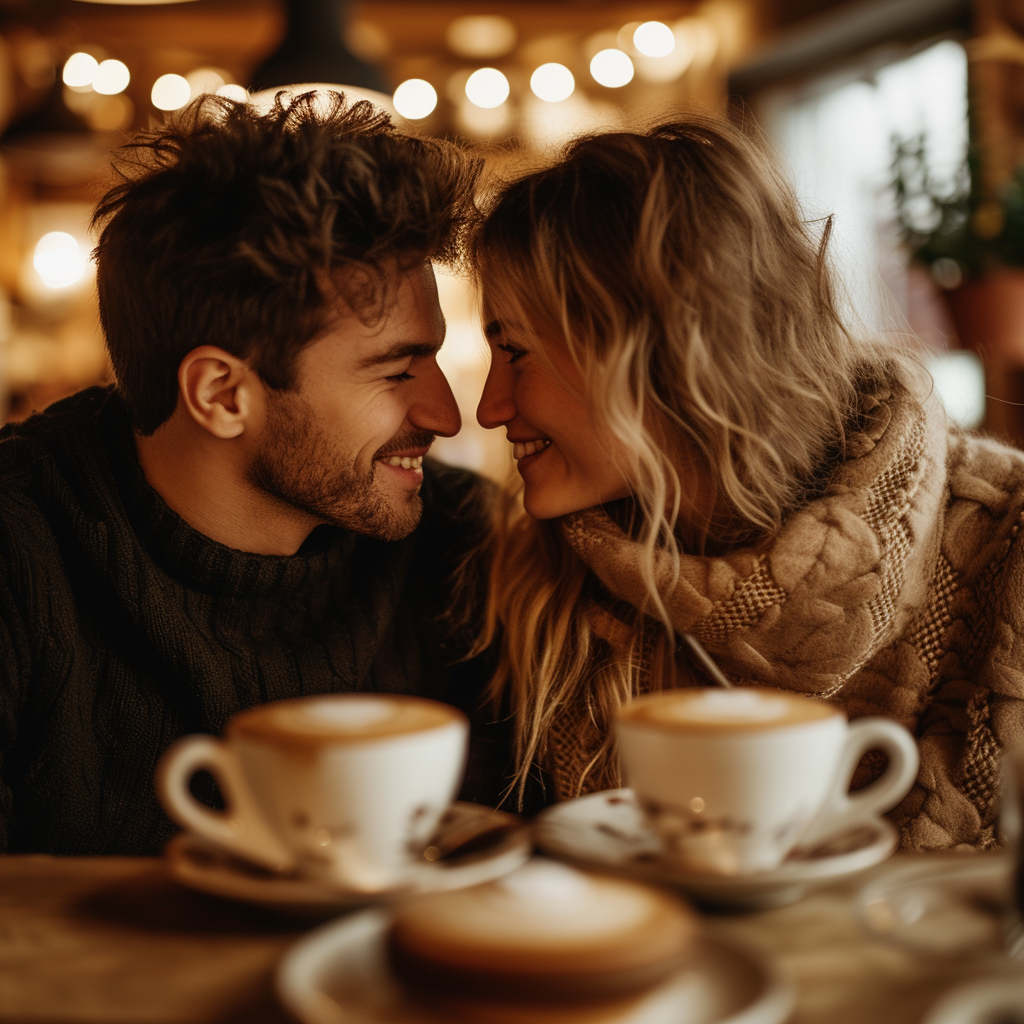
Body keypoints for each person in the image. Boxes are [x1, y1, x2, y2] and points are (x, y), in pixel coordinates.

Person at [473, 115, 1024, 851]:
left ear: (669, 353)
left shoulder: (1008, 545)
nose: (487, 407)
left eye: (516, 352)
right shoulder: (537, 580)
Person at [0, 92, 506, 855]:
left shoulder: (467, 541)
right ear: (221, 394)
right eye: (398, 370)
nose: (448, 416)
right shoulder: (19, 547)